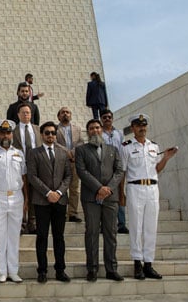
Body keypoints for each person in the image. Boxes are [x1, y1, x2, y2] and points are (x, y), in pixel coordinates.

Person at [121, 114, 178, 280]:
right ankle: (137, 264)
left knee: (150, 227)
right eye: (138, 126)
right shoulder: (126, 147)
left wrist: (166, 157)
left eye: (144, 125)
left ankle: (149, 264)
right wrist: (121, 194)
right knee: (136, 227)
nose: (142, 128)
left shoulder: (154, 146)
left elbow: (157, 169)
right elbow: (123, 171)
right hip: (135, 188)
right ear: (132, 128)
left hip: (152, 188)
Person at [75, 119, 125, 282]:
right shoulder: (81, 150)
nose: (94, 131)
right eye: (91, 128)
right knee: (92, 232)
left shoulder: (113, 149)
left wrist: (108, 189)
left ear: (102, 130)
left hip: (110, 198)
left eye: (97, 128)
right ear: (87, 132)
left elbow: (119, 171)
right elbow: (82, 171)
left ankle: (112, 268)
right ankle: (92, 268)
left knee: (111, 232)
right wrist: (99, 188)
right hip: (91, 198)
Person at [26, 121, 72, 283]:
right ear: (42, 135)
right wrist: (48, 192)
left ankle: (60, 270)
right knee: (42, 237)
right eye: (47, 133)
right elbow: (32, 176)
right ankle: (42, 270)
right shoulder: (34, 153)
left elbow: (68, 176)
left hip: (60, 200)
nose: (50, 135)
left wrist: (58, 192)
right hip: (42, 201)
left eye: (53, 133)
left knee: (59, 237)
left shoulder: (62, 153)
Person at [0, 119, 27, 283]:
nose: (6, 135)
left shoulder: (19, 154)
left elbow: (24, 178)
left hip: (16, 197)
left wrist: (26, 200)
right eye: (2, 132)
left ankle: (13, 270)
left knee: (14, 236)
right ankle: (2, 271)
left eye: (8, 132)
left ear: (12, 134)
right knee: (0, 236)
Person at [11, 103, 41, 234]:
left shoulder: (38, 129)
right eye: (23, 112)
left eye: (28, 112)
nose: (25, 115)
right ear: (18, 115)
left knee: (34, 194)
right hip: (19, 167)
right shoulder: (13, 131)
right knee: (22, 195)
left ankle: (32, 222)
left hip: (36, 167)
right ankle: (22, 223)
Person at [100, 109, 129, 234]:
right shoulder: (99, 133)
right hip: (104, 167)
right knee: (103, 194)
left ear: (112, 118)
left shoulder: (119, 133)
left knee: (120, 194)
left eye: (109, 117)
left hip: (118, 167)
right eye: (105, 117)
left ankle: (121, 223)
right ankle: (102, 224)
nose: (107, 119)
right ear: (101, 119)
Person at [55, 106, 85, 223]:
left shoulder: (77, 129)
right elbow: (54, 143)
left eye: (67, 112)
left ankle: (72, 213)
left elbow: (81, 142)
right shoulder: (55, 129)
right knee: (60, 188)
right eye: (63, 112)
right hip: (60, 163)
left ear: (71, 115)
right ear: (59, 116)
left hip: (74, 162)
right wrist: (66, 151)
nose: (65, 114)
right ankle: (61, 212)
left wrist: (72, 152)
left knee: (74, 188)